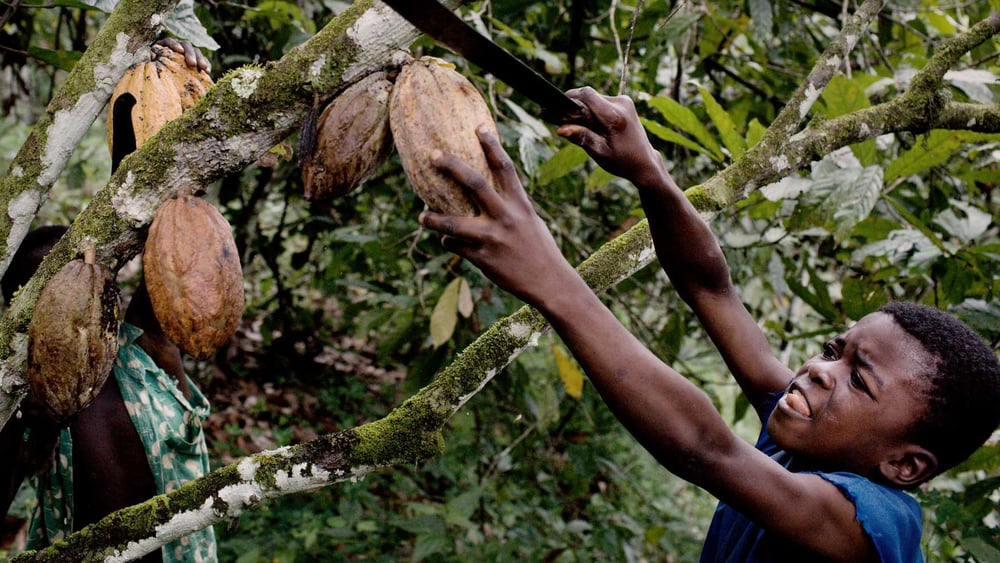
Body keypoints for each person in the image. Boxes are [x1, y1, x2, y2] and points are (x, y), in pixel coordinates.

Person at [417, 88, 1000, 561]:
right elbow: (710, 289)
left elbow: (706, 449)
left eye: (859, 380)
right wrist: (650, 173)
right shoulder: (810, 434)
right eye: (832, 350)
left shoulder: (871, 525)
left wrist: (552, 280)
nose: (820, 371)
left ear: (905, 465)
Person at [0, 38, 218, 563]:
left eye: (85, 286)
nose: (72, 305)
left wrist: (151, 90)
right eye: (47, 293)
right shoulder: (25, 402)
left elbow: (170, 232)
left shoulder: (145, 349)